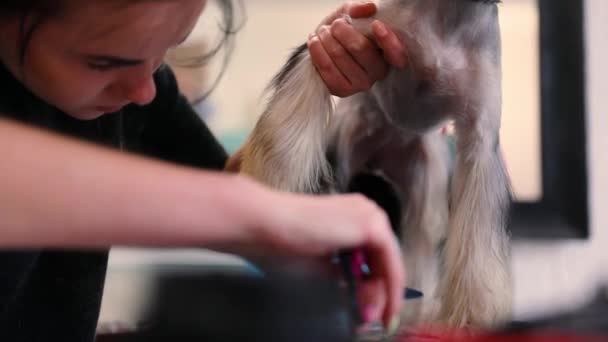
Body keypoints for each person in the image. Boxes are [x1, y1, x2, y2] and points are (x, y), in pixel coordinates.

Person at [0, 0, 408, 341]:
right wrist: (257, 213)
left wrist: (307, 83)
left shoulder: (135, 88)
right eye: (101, 63)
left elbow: (234, 189)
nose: (144, 91)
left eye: (165, 54)